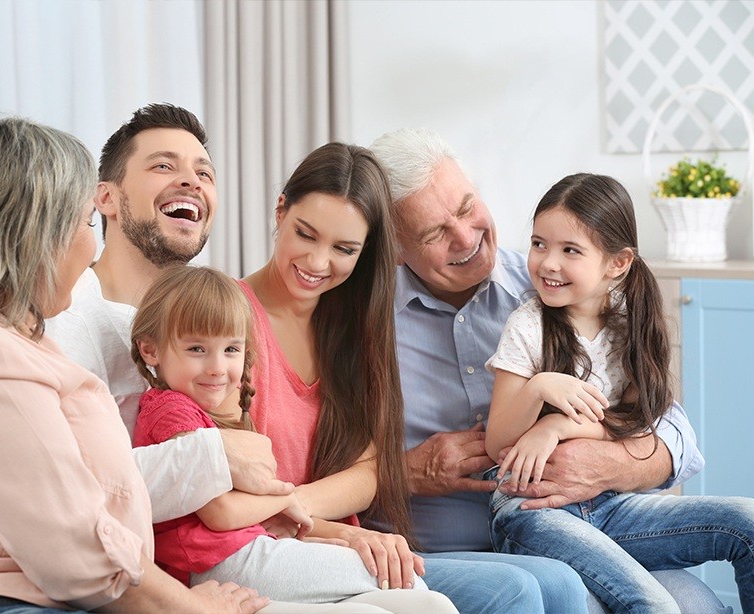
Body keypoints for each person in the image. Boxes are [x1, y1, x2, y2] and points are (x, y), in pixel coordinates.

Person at [0, 115, 266, 613]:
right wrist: (196, 609)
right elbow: (76, 555)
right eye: (85, 223)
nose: (89, 245)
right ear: (33, 236)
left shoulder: (10, 339)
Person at [368, 127, 728, 613]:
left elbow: (675, 435)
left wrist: (606, 461)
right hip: (448, 556)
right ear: (392, 247)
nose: (465, 237)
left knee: (697, 602)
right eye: (435, 233)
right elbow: (311, 472)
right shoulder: (363, 327)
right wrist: (403, 473)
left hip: (590, 524)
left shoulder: (559, 288)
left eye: (466, 207)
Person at [235, 141, 572, 613]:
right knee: (516, 591)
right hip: (284, 542)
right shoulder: (235, 320)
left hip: (337, 531)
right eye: (305, 234)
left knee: (560, 584)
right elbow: (228, 483)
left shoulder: (345, 325)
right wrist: (345, 518)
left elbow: (365, 470)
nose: (317, 263)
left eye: (344, 248)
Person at [484, 173, 754, 612]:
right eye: (539, 244)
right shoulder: (528, 325)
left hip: (613, 508)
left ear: (618, 262)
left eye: (570, 250)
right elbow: (498, 443)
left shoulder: (632, 324)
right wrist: (538, 390)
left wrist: (558, 425)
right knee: (653, 603)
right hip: (533, 512)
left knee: (748, 522)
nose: (548, 263)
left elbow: (637, 421)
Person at [128, 264, 457, 612]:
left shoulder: (213, 414)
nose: (217, 368)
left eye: (230, 350)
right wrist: (287, 500)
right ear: (151, 350)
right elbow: (221, 514)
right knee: (401, 584)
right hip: (215, 562)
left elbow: (260, 518)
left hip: (250, 549)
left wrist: (326, 526)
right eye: (197, 349)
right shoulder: (170, 410)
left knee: (425, 602)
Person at [46, 103, 294, 527]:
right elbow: (65, 489)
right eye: (163, 166)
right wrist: (215, 456)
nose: (190, 182)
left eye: (205, 173)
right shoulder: (62, 319)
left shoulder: (218, 318)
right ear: (105, 198)